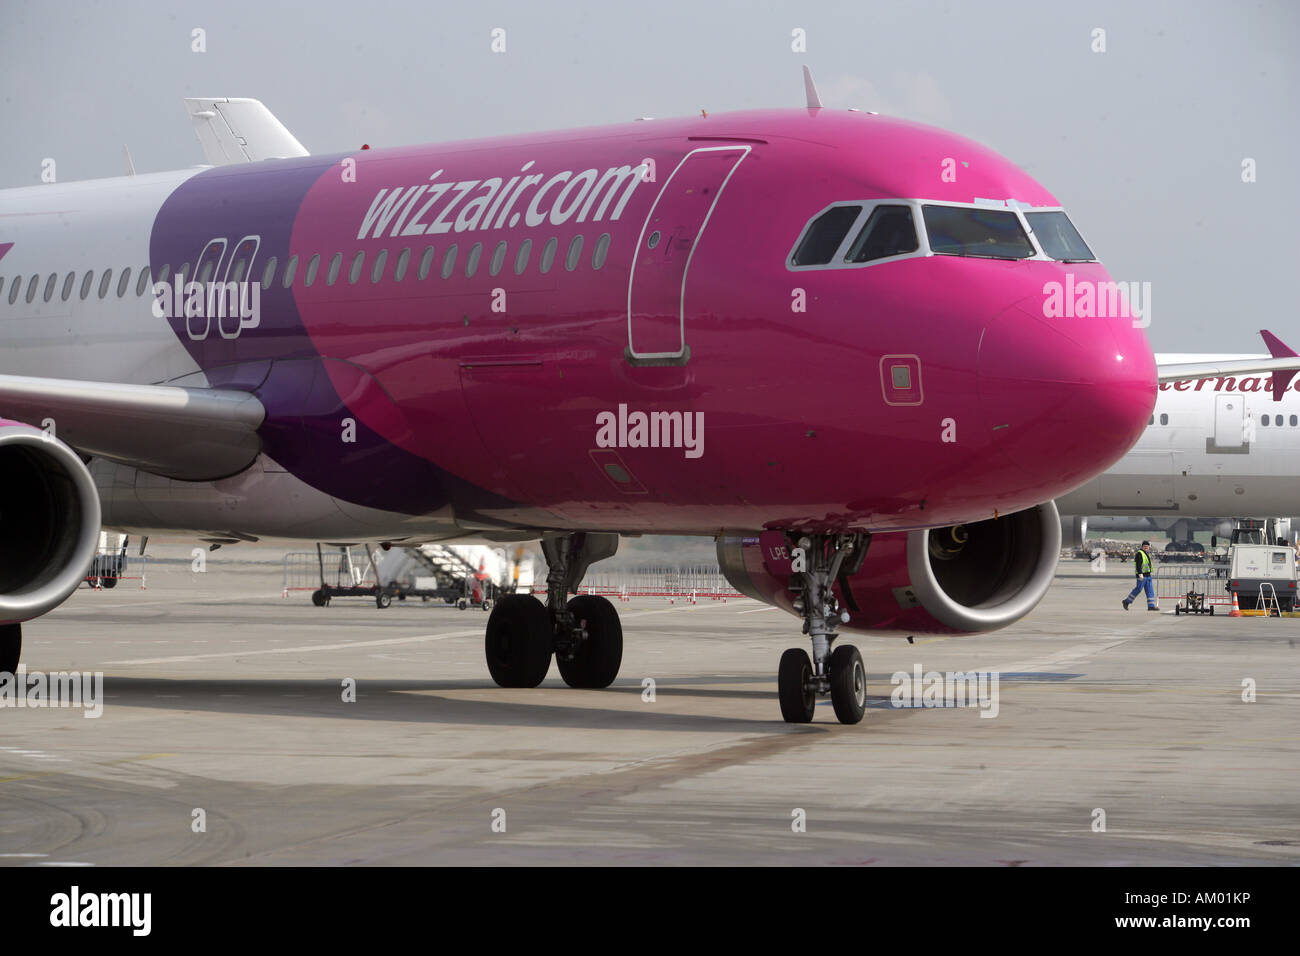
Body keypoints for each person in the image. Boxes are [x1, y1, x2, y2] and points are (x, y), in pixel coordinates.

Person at [1122, 541, 1157, 611]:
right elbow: (1138, 565)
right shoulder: (1139, 554)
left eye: (1147, 546)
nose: (1146, 547)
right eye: (1145, 546)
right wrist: (1140, 574)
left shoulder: (1146, 553)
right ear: (1142, 547)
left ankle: (1151, 606)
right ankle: (1126, 601)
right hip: (1142, 576)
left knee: (1150, 591)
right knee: (1138, 589)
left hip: (1148, 575)